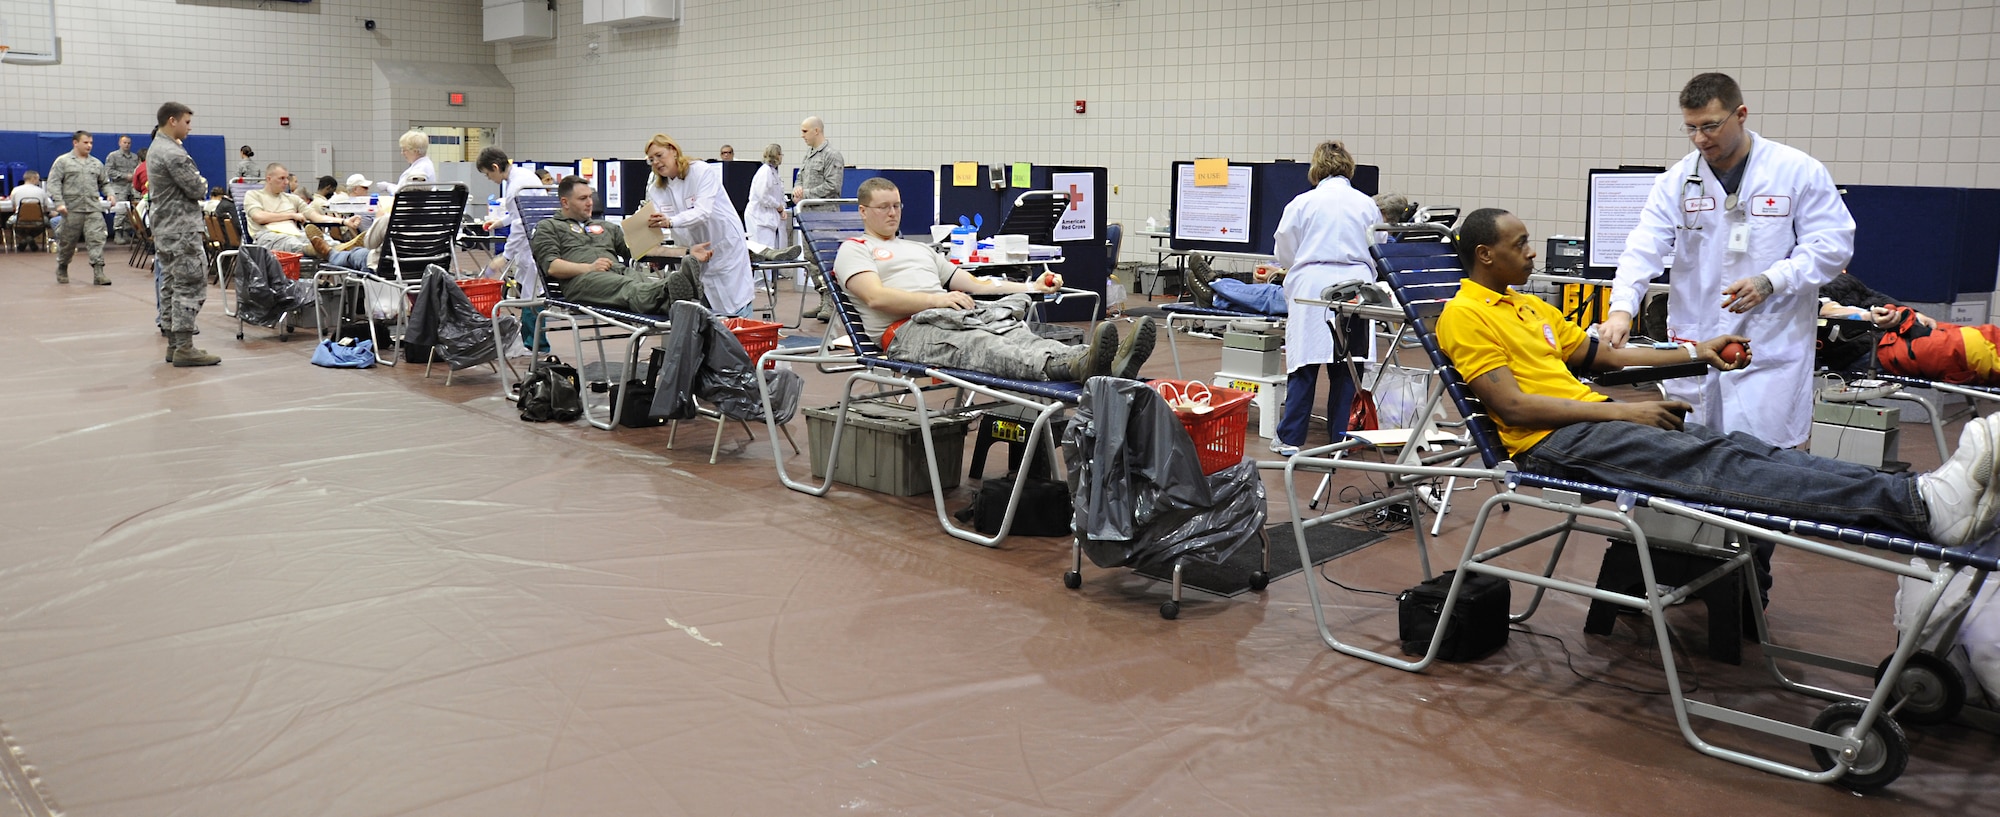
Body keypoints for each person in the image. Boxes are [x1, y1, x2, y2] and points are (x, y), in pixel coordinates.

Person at [1439, 206, 2000, 552]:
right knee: (1724, 468)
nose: (1531, 252)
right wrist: (1624, 410)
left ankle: (1918, 494)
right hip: (1551, 442)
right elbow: (1513, 409)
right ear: (1485, 254)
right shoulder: (1464, 316)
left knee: (1742, 449)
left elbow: (1604, 357)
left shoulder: (1527, 306)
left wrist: (1696, 351)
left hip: (1591, 421)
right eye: (1519, 244)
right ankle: (1921, 508)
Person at [1602, 72, 1856, 448]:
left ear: (1741, 115)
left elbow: (1832, 245)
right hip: (1696, 333)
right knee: (1691, 449)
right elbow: (1643, 247)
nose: (1700, 138)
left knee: (1761, 455)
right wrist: (1621, 309)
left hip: (1768, 338)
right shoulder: (1677, 181)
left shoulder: (1796, 171)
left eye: (1710, 126)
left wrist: (1772, 280)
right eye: (1691, 128)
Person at [833, 177, 1156, 383]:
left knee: (1014, 332)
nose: (893, 213)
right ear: (863, 211)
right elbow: (876, 297)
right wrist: (937, 299)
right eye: (883, 207)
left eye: (896, 205)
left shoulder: (919, 249)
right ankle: (1079, 365)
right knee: (984, 345)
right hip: (906, 331)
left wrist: (1031, 286)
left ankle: (1103, 361)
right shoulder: (855, 249)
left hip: (953, 316)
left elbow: (976, 284)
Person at [1259, 140, 1381, 457]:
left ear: (1315, 169)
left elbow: (1284, 249)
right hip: (1356, 284)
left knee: (1304, 364)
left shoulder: (1302, 203)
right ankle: (1341, 439)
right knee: (1348, 365)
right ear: (1349, 167)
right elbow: (1379, 245)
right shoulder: (1366, 204)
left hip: (1311, 285)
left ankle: (1290, 438)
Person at [532, 175, 711, 315]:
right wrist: (589, 268)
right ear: (565, 202)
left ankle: (675, 295)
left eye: (590, 197)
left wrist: (687, 251)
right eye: (583, 198)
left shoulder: (606, 227)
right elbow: (552, 267)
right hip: (583, 280)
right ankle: (676, 287)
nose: (590, 203)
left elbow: (643, 251)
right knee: (628, 287)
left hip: (618, 272)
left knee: (639, 281)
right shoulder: (549, 227)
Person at [1816, 272, 2000, 385]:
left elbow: (1876, 296)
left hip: (1896, 331)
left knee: (1985, 335)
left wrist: (1916, 313)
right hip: (1871, 346)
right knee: (1967, 346)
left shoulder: (1840, 277)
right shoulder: (1807, 286)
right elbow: (1827, 310)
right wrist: (1867, 317)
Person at [643, 133, 756, 317]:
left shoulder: (700, 171)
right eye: (651, 159)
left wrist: (671, 221)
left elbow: (703, 212)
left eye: (659, 155)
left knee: (736, 309)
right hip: (694, 254)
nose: (656, 162)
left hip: (723, 247)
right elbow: (662, 223)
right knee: (703, 311)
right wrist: (657, 249)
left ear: (673, 150)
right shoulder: (656, 190)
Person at [151, 102, 219, 367]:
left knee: (170, 284)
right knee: (189, 283)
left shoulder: (157, 147)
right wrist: (202, 181)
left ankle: (174, 344)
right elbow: (197, 188)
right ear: (173, 121)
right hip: (181, 229)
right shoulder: (173, 153)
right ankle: (185, 347)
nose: (190, 128)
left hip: (166, 227)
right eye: (187, 122)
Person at [244, 164, 366, 267]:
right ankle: (322, 249)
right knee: (292, 243)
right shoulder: (253, 195)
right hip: (267, 236)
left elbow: (316, 217)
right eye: (281, 178)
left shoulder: (292, 198)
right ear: (269, 179)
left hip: (296, 233)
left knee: (322, 239)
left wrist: (344, 222)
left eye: (287, 178)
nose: (286, 182)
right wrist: (292, 215)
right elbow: (259, 217)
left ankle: (338, 247)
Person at [794, 116, 846, 321]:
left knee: (826, 260)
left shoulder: (832, 155)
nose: (802, 135)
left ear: (817, 130)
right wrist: (798, 189)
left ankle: (831, 303)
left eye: (805, 131)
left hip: (825, 217)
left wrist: (805, 194)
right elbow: (800, 178)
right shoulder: (808, 156)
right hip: (808, 217)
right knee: (812, 260)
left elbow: (833, 186)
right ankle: (823, 297)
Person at [47, 130, 112, 285]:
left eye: (91, 143)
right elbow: (54, 183)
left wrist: (110, 194)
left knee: (97, 240)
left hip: (92, 208)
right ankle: (62, 267)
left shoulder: (96, 163)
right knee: (67, 242)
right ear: (75, 143)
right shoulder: (63, 162)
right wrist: (59, 203)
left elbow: (105, 182)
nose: (89, 146)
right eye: (85, 142)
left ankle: (99, 272)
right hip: (72, 209)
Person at [474, 146, 543, 282]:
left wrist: (505, 256)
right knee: (532, 284)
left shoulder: (515, 188)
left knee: (532, 285)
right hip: (538, 238)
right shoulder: (524, 174)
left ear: (495, 167)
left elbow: (520, 224)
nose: (489, 178)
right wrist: (501, 222)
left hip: (532, 244)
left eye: (487, 174)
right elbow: (523, 212)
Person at [746, 143, 788, 249]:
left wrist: (782, 208)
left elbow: (778, 194)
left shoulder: (773, 172)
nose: (781, 157)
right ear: (777, 155)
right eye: (781, 154)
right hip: (759, 218)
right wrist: (778, 206)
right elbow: (763, 197)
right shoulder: (765, 171)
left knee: (770, 249)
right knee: (762, 250)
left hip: (767, 218)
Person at [7, 170, 52, 252]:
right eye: (38, 179)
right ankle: (29, 238)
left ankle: (26, 238)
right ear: (33, 178)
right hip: (39, 220)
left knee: (9, 224)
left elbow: (12, 206)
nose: (38, 181)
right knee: (46, 223)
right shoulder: (41, 191)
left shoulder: (15, 190)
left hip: (19, 220)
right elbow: (47, 207)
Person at [105, 135, 140, 205]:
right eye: (125, 143)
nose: (127, 145)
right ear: (119, 143)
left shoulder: (135, 157)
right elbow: (108, 171)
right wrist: (125, 176)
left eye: (129, 143)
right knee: (120, 210)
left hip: (134, 191)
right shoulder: (113, 156)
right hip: (119, 190)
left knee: (136, 210)